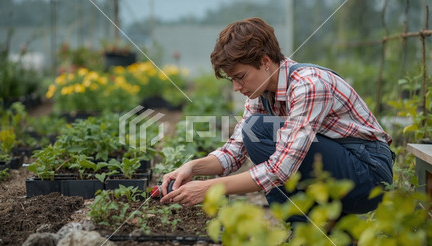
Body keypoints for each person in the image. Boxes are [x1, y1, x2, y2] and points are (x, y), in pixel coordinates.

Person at [160, 17, 394, 224]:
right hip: (338, 165)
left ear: (264, 61)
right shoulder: (260, 93)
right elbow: (235, 151)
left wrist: (210, 188)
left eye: (240, 77)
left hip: (369, 174)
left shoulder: (309, 85)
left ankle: (319, 229)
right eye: (232, 80)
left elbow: (281, 169)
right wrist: (192, 167)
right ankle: (315, 233)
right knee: (256, 132)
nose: (236, 87)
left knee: (259, 130)